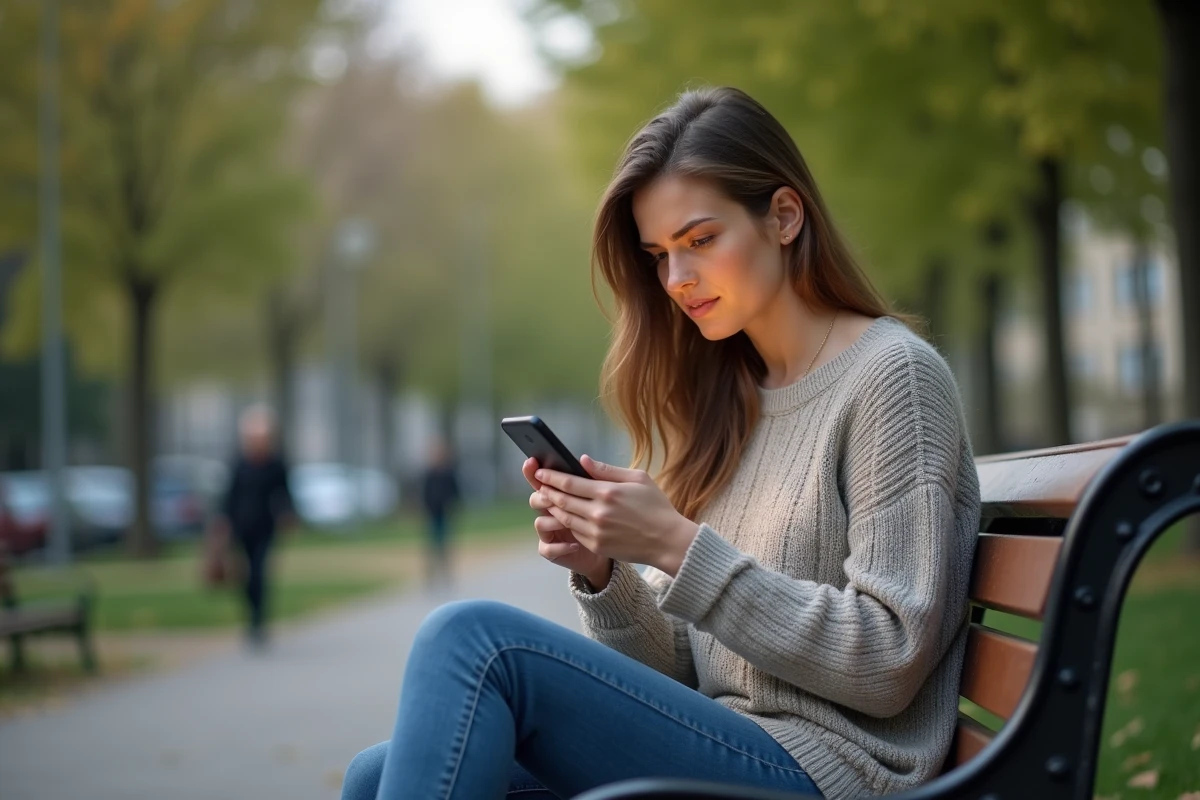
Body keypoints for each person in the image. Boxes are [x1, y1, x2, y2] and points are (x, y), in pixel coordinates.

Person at [340, 87, 981, 800]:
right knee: (374, 776)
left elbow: (890, 659)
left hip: (837, 773)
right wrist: (606, 572)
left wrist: (677, 545)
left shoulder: (892, 378)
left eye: (701, 240)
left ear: (784, 216)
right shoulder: (730, 400)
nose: (677, 280)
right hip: (733, 745)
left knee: (476, 642)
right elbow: (682, 669)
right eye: (658, 255)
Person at [217, 404, 294, 648]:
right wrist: (223, 523)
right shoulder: (240, 463)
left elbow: (284, 493)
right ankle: (251, 616)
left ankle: (258, 622)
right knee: (244, 576)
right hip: (241, 527)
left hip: (265, 527)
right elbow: (230, 496)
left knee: (259, 573)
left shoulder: (275, 464)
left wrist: (288, 513)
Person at [419, 437, 460, 587]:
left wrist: (453, 507)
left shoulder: (448, 474)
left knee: (445, 545)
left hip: (444, 514)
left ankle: (445, 574)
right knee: (431, 545)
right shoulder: (429, 474)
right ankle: (430, 577)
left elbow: (455, 493)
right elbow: (424, 493)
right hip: (432, 514)